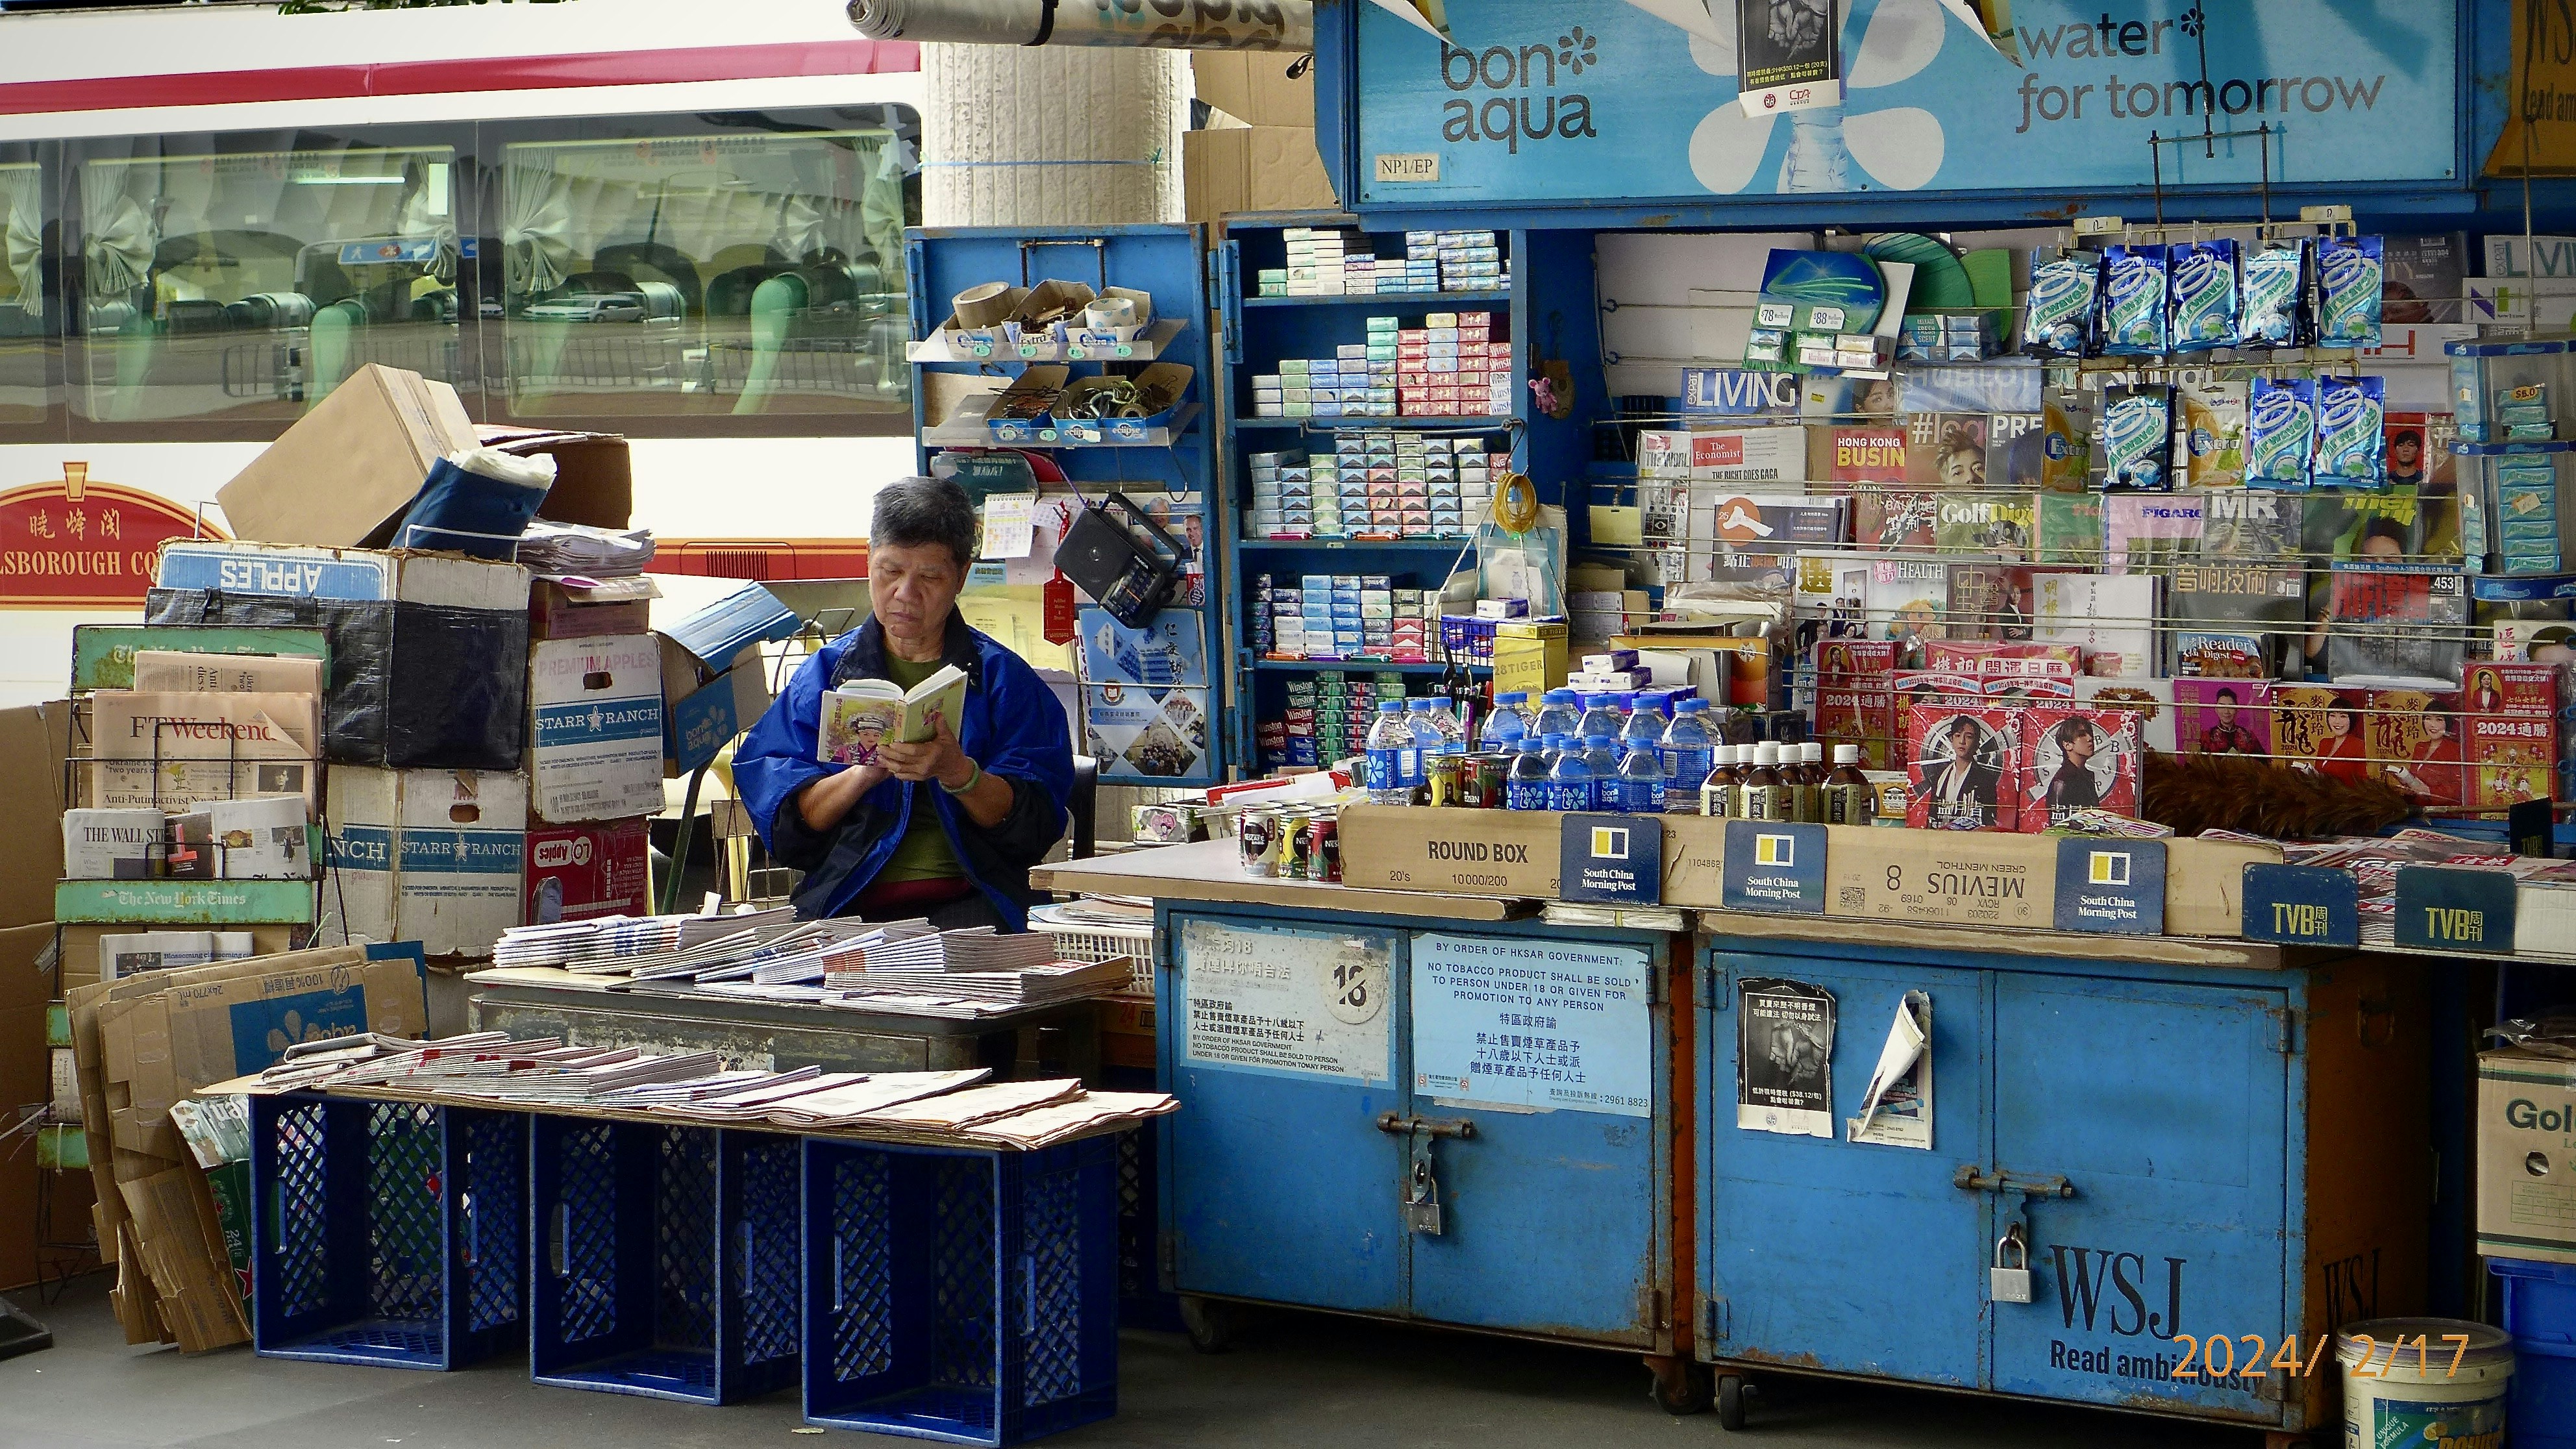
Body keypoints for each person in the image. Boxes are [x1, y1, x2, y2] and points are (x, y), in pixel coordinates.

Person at [734, 476, 1074, 930]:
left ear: (961, 578)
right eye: (890, 571)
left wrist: (959, 773)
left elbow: (1034, 827)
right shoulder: (824, 677)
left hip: (973, 900)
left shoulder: (1002, 679)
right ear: (868, 561)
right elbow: (787, 832)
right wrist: (863, 774)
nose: (905, 594)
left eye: (930, 577)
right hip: (848, 901)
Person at [1923, 713, 1999, 827]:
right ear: (1952, 740)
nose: (1962, 741)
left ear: (1977, 744)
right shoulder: (1940, 776)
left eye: (1969, 737)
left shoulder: (1985, 779)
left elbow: (1989, 820)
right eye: (1958, 736)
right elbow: (1932, 815)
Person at [2041, 717, 2104, 817]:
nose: (2090, 738)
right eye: (2081, 735)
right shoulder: (2062, 782)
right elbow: (2058, 822)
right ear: (2067, 745)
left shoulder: (2086, 776)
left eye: (2090, 733)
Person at [2311, 704, 2371, 785]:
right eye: (2333, 716)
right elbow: (2317, 773)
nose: (2337, 721)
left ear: (2351, 719)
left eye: (2343, 716)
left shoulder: (2358, 745)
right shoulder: (2324, 743)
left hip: (2345, 792)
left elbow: (2363, 781)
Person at [2198, 687, 2265, 755]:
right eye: (2222, 707)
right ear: (2216, 709)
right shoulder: (2208, 736)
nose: (2226, 712)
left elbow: (2262, 759)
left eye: (2231, 707)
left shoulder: (2248, 736)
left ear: (2237, 709)